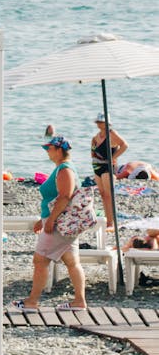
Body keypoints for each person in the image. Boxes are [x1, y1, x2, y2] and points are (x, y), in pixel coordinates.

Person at [14, 135, 86, 311]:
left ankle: (32, 301)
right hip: (62, 222)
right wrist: (43, 219)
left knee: (40, 261)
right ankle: (79, 301)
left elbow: (65, 196)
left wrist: (50, 220)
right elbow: (57, 199)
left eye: (49, 149)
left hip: (58, 224)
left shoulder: (65, 170)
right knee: (71, 261)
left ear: (59, 150)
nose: (47, 152)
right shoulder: (63, 168)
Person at [90, 114, 128, 229]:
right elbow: (92, 152)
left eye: (101, 122)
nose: (99, 124)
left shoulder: (111, 134)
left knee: (109, 194)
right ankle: (108, 220)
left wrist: (113, 157)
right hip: (97, 167)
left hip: (108, 167)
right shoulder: (96, 136)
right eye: (98, 122)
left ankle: (111, 222)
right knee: (102, 195)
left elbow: (124, 145)